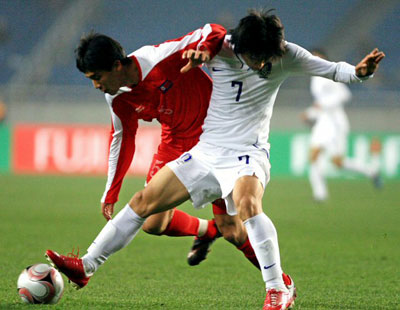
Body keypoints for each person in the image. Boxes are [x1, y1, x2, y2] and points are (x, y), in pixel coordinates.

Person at [46, 9, 384, 310]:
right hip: (207, 151)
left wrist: (361, 73)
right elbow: (211, 32)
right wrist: (204, 50)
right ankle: (87, 266)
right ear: (240, 48)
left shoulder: (286, 54)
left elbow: (335, 71)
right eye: (256, 58)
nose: (263, 64)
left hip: (249, 152)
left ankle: (278, 289)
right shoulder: (222, 48)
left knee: (248, 206)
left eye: (268, 57)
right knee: (144, 203)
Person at [301, 49, 383, 202]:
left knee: (338, 162)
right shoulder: (315, 78)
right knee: (313, 156)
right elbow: (321, 104)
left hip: (336, 123)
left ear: (323, 58)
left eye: (315, 57)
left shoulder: (327, 74)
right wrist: (310, 113)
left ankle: (371, 171)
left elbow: (344, 94)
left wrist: (319, 106)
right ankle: (320, 194)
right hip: (324, 122)